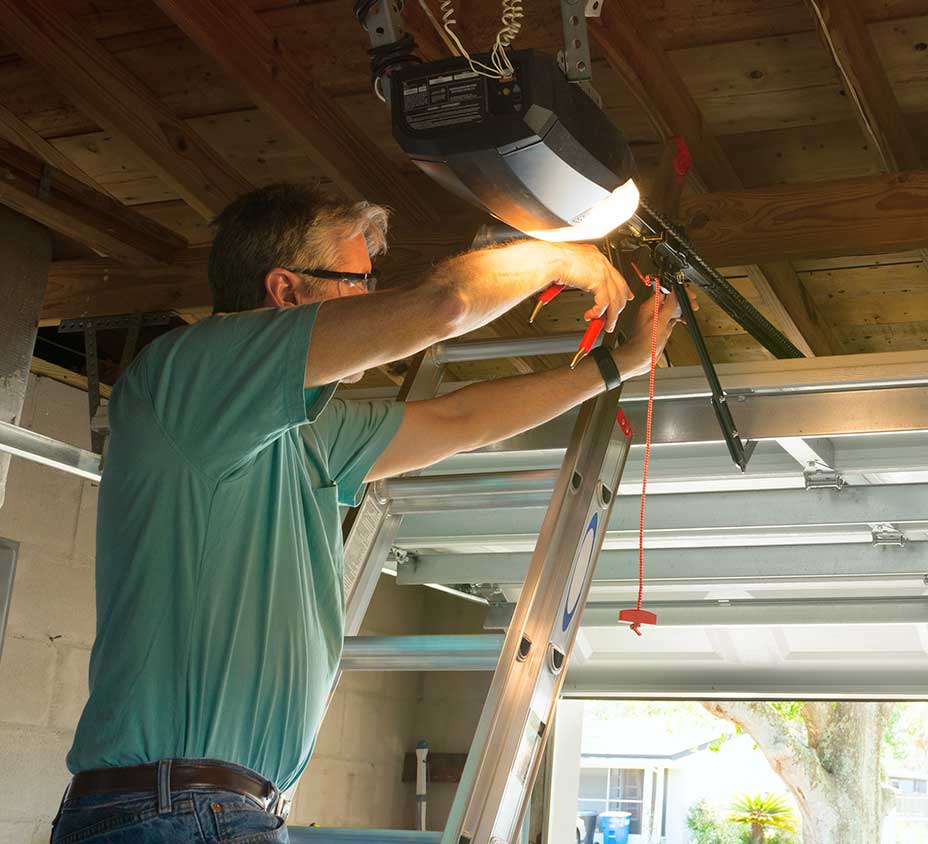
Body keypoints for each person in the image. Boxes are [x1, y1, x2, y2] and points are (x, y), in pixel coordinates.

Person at [50, 182, 686, 844]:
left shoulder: (307, 435)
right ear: (287, 291)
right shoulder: (188, 379)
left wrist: (612, 367)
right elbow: (445, 304)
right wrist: (561, 258)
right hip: (176, 809)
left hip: (211, 809)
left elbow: (458, 419)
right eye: (357, 281)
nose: (370, 300)